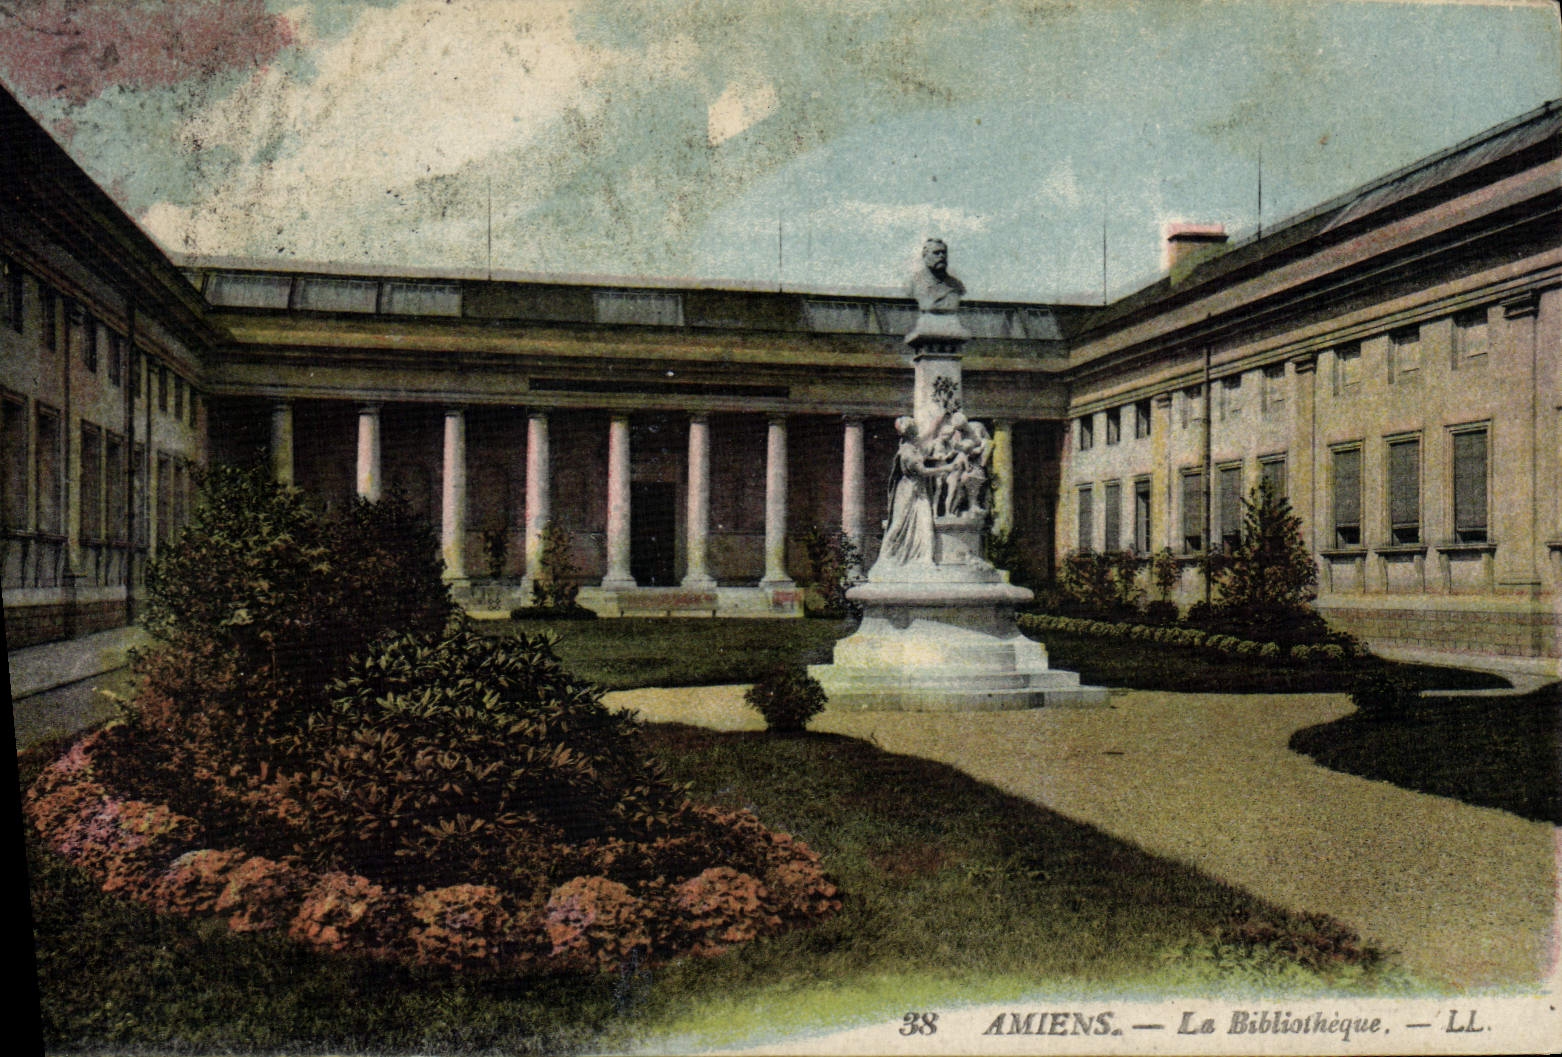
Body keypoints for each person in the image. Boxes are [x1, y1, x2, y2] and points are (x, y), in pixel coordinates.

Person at [877, 416, 956, 567]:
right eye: (916, 428)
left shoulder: (913, 447)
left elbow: (930, 432)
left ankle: (925, 559)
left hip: (919, 491)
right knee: (898, 525)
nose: (919, 431)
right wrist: (946, 468)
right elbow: (923, 471)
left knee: (925, 523)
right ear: (911, 432)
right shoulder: (907, 452)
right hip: (907, 492)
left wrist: (941, 416)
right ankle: (885, 558)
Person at [907, 238, 965, 313]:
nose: (941, 256)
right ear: (925, 256)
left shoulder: (956, 284)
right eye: (936, 253)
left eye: (944, 252)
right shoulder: (914, 282)